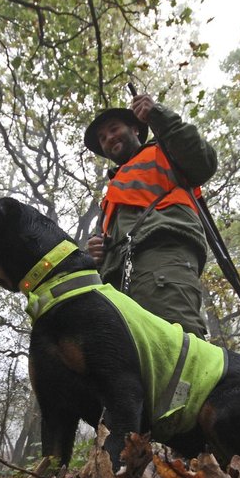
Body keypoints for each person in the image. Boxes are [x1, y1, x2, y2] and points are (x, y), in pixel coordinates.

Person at [85, 93, 217, 337]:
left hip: (163, 259)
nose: (109, 138)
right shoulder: (111, 194)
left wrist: (158, 115)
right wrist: (95, 252)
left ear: (136, 129)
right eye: (103, 138)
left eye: (114, 129)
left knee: (177, 347)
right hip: (118, 282)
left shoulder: (164, 151)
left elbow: (204, 162)